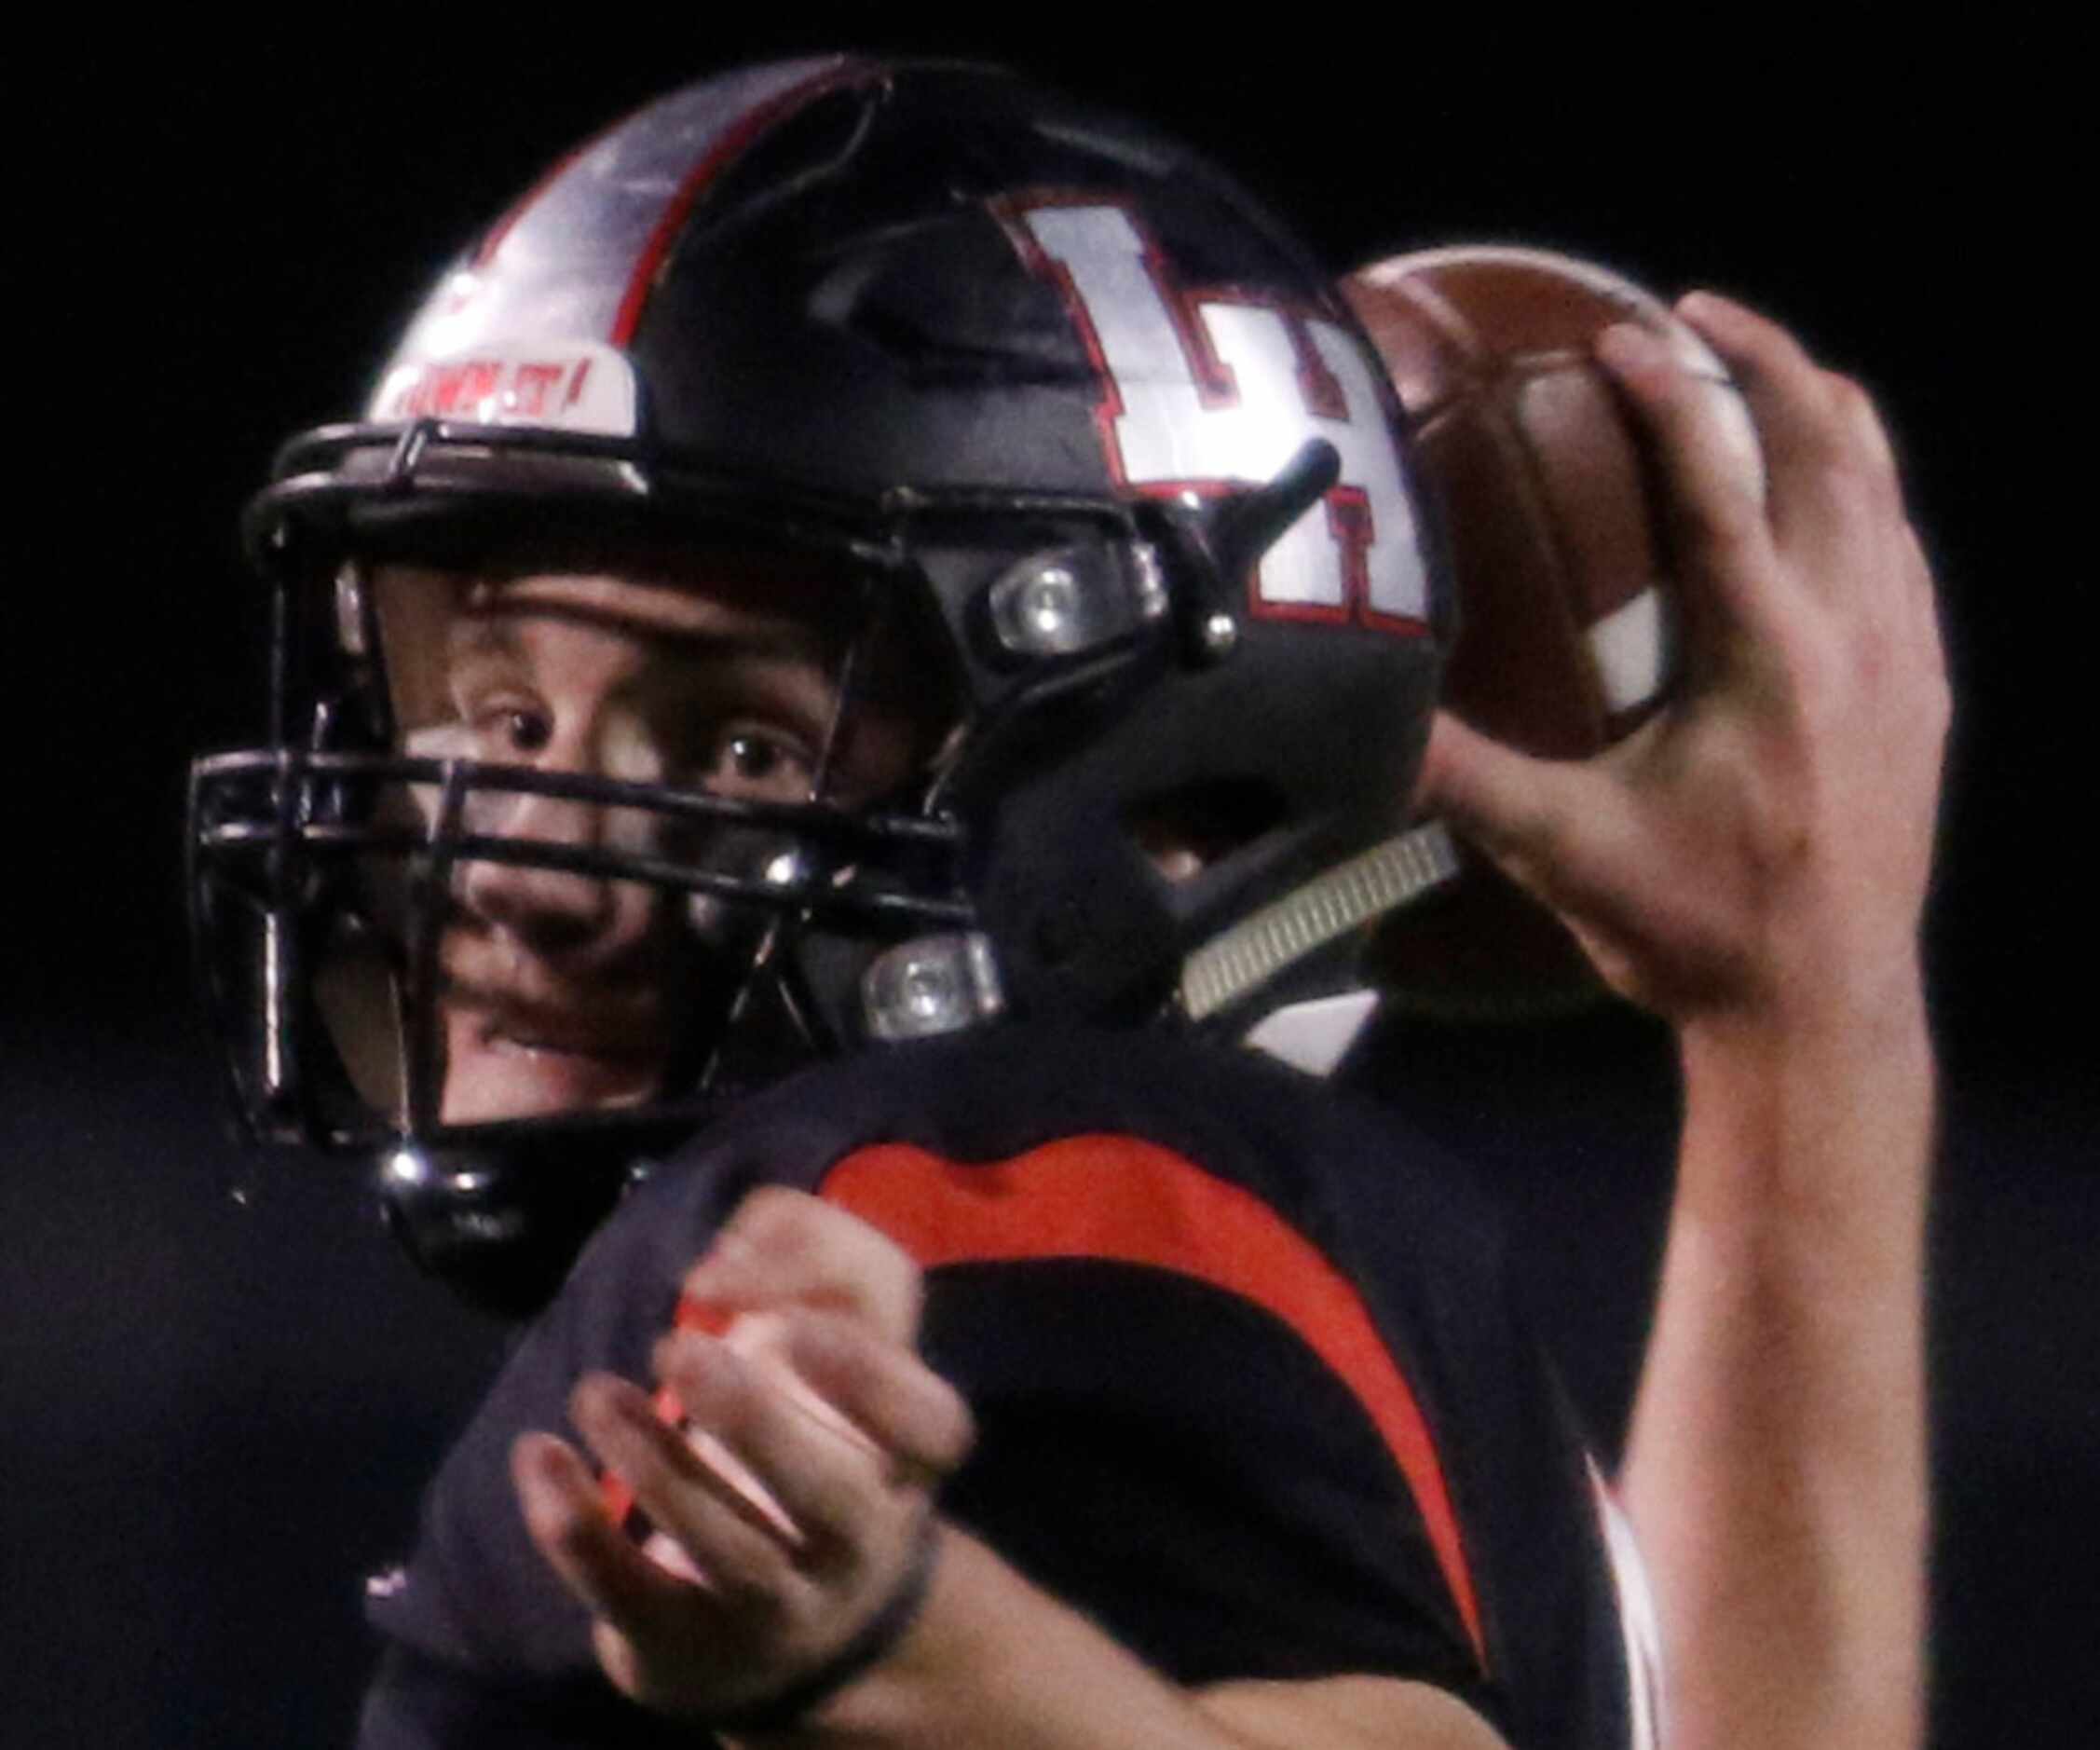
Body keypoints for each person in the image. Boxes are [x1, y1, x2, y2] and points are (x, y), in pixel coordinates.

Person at [191, 55, 1942, 1750]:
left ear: (1156, 799)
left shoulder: (992, 1162)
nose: (508, 863)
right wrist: (1810, 1027)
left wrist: (915, 1655)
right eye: (502, 712)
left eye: (734, 741)